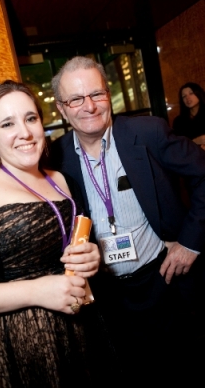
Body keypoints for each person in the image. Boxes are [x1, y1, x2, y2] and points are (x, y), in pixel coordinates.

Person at [0, 80, 117, 388]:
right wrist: (35, 291)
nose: (24, 132)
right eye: (7, 123)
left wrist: (92, 257)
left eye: (30, 118)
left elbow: (73, 248)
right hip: (5, 353)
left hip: (74, 339)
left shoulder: (62, 180)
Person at [50, 56, 205, 384]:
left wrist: (192, 241)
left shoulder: (148, 132)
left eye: (97, 94)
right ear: (62, 110)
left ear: (109, 95)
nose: (89, 106)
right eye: (76, 99)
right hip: (105, 301)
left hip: (164, 283)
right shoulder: (53, 158)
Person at [173, 82, 205, 149]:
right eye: (184, 96)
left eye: (191, 93)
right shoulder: (179, 122)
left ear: (198, 94)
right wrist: (195, 141)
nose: (187, 98)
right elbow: (177, 147)